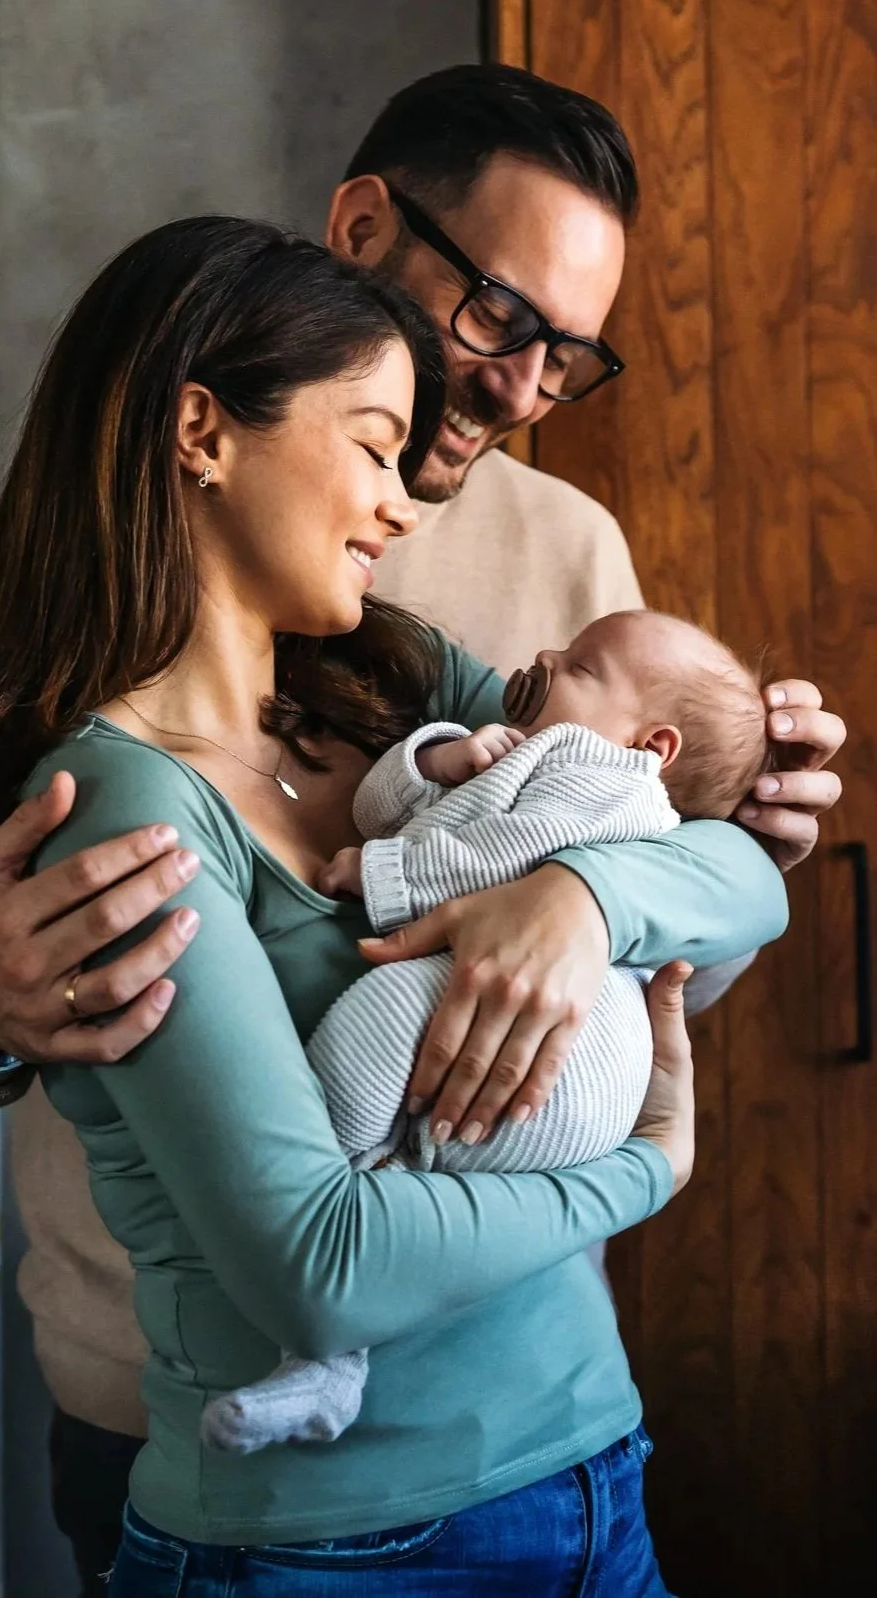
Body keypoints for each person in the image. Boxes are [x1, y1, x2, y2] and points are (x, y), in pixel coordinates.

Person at [0, 64, 843, 1589]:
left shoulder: (439, 622)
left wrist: (609, 888)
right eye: (501, 321)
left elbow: (665, 921)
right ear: (365, 224)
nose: (522, 391)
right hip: (211, 1423)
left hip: (565, 1422)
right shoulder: (77, 650)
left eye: (568, 358)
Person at [201, 610, 777, 1457]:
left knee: (369, 1024)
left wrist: (381, 871)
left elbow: (504, 859)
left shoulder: (606, 776)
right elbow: (384, 805)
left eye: (580, 665)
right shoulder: (527, 749)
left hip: (570, 1055)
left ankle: (331, 1319)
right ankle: (338, 1336)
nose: (544, 656)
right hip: (566, 1076)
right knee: (403, 1131)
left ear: (651, 744)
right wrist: (440, 758)